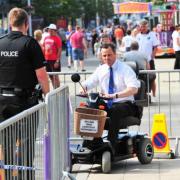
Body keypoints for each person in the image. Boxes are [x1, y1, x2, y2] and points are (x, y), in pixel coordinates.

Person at [0, 7, 50, 179]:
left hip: (2, 101)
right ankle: (25, 177)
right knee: (27, 143)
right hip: (24, 102)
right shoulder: (29, 43)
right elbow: (41, 75)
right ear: (26, 24)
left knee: (5, 144)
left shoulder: (0, 42)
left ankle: (7, 176)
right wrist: (48, 95)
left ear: (10, 23)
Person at [81, 42, 140, 151]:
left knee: (115, 110)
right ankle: (91, 142)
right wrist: (83, 87)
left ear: (115, 54)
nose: (107, 58)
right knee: (89, 108)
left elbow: (134, 89)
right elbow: (90, 82)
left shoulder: (125, 69)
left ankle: (111, 144)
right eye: (104, 55)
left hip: (125, 104)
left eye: (109, 55)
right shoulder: (101, 69)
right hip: (108, 103)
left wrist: (115, 95)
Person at [136, 19, 159, 98]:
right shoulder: (138, 36)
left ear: (147, 27)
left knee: (152, 78)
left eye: (144, 26)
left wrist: (153, 55)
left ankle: (154, 95)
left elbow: (156, 46)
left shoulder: (152, 34)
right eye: (141, 26)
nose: (143, 28)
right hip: (140, 61)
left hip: (149, 60)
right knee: (140, 78)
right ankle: (142, 94)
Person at [43, 23, 62, 88]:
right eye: (49, 30)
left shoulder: (57, 38)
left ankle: (58, 90)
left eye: (51, 30)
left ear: (54, 30)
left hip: (54, 60)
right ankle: (54, 89)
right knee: (50, 76)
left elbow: (59, 50)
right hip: (47, 60)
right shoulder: (46, 38)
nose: (49, 31)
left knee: (55, 76)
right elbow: (43, 47)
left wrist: (57, 61)